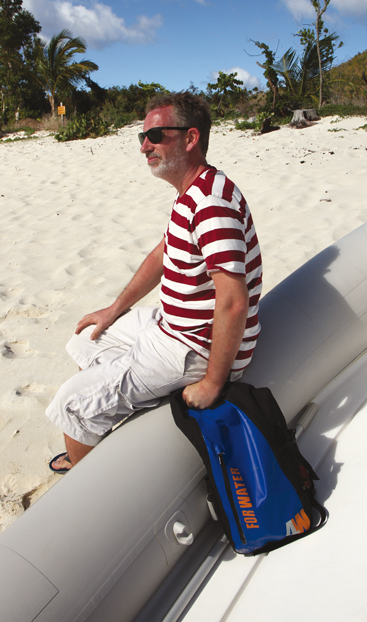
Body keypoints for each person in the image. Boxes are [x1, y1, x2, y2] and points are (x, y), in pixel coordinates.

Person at [46, 92, 262, 473]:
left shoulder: (211, 205)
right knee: (88, 338)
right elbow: (163, 254)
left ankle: (86, 477)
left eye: (156, 135)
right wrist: (113, 310)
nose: (145, 146)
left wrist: (213, 383)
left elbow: (233, 301)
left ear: (190, 138)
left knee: (71, 403)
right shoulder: (190, 193)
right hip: (171, 326)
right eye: (142, 137)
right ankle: (97, 428)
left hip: (193, 347)